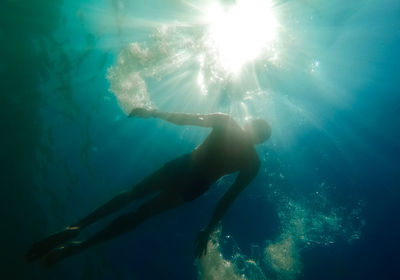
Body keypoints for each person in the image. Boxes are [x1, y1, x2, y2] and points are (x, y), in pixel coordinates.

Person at [26, 108, 271, 266]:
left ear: (250, 124)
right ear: (259, 140)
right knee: (140, 215)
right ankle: (81, 246)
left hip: (184, 165)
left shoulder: (226, 122)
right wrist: (207, 230)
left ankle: (76, 226)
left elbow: (186, 118)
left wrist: (153, 112)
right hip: (196, 184)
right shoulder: (252, 162)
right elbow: (227, 198)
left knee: (132, 193)